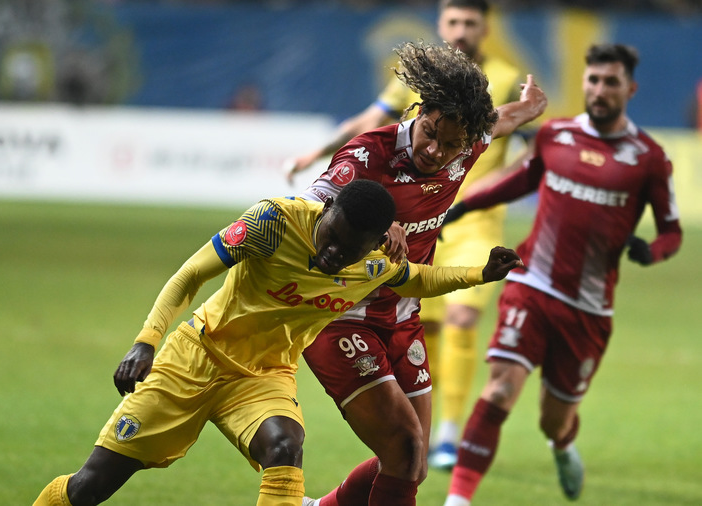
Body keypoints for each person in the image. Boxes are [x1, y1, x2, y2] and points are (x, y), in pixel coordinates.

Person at [33, 179, 524, 506]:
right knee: (90, 487)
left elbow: (419, 278)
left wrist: (481, 272)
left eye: (347, 249)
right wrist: (146, 341)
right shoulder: (273, 223)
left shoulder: (370, 267)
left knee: (286, 446)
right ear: (326, 208)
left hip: (265, 376)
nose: (331, 253)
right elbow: (189, 275)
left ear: (371, 246)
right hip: (194, 357)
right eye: (331, 236)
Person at [296, 40, 544, 506]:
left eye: (453, 144)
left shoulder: (466, 143)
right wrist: (369, 213)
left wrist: (528, 108)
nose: (437, 150)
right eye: (430, 132)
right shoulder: (369, 155)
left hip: (402, 315)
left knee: (413, 462)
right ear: (420, 110)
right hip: (340, 316)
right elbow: (308, 206)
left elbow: (500, 121)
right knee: (405, 451)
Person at [441, 43, 682, 506]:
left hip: (588, 309)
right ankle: (458, 500)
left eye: (610, 82)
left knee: (552, 420)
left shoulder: (648, 158)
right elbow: (522, 181)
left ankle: (563, 444)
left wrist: (651, 252)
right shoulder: (555, 135)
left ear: (629, 88)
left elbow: (672, 231)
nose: (599, 89)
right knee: (498, 393)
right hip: (530, 283)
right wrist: (466, 205)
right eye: (593, 80)